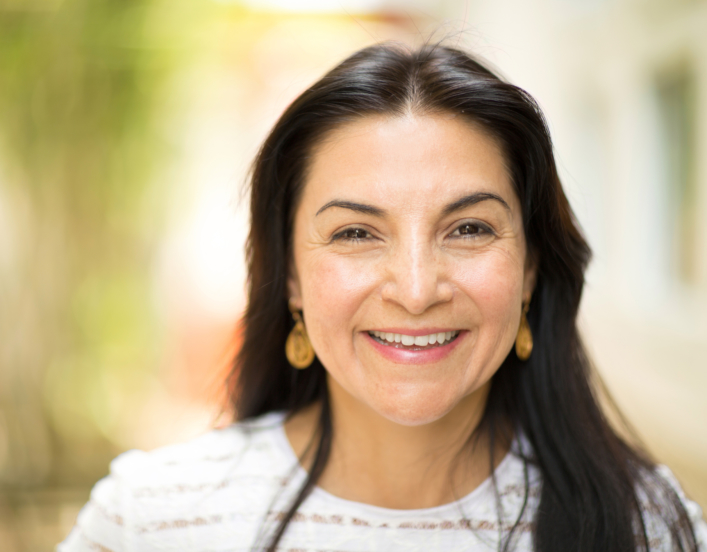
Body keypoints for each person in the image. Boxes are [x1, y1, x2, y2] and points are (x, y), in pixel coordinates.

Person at [58, 43, 707, 552]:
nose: (417, 289)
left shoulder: (644, 523)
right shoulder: (155, 519)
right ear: (289, 276)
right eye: (356, 233)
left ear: (531, 267)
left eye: (469, 228)